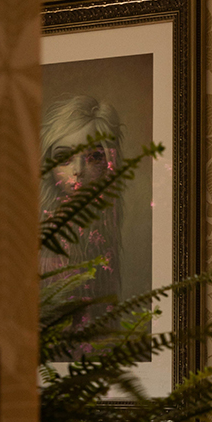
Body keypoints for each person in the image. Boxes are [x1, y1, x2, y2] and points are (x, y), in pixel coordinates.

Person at [40, 94, 125, 303]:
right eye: (64, 158)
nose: (77, 170)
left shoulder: (104, 231)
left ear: (109, 163)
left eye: (93, 157)